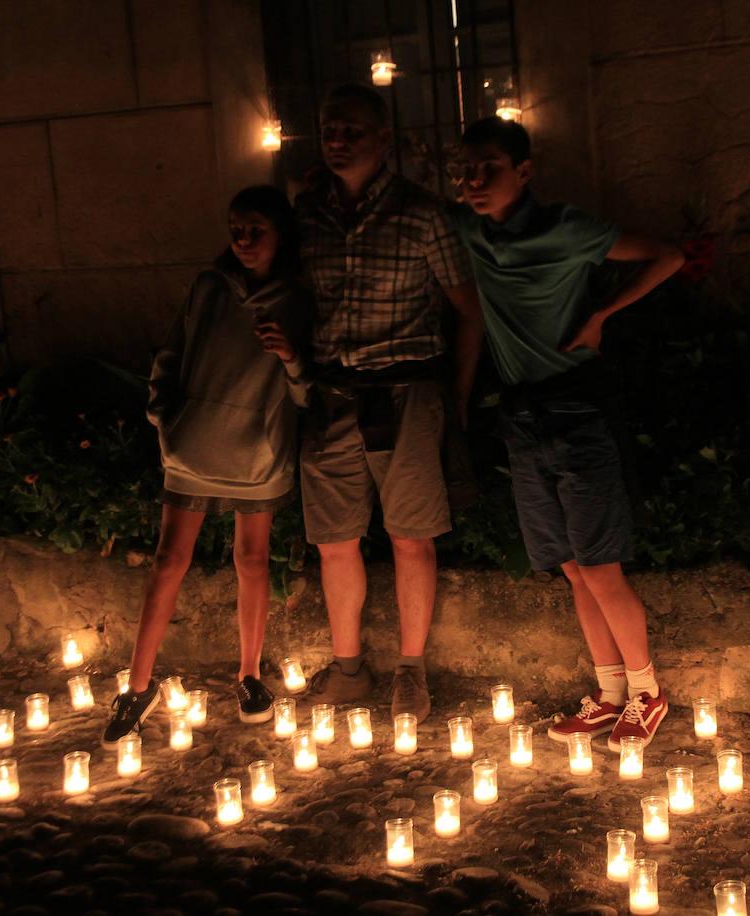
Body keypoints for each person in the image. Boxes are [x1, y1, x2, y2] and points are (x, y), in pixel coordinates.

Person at [452, 117, 685, 750]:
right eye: (466, 169)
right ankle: (610, 696)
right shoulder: (470, 231)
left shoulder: (567, 228)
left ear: (522, 172)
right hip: (521, 415)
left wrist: (601, 315)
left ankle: (647, 694)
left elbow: (671, 255)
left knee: (601, 564)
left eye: (489, 168)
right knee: (573, 569)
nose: (474, 181)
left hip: (577, 409)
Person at [295, 85, 482, 722]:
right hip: (330, 396)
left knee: (410, 536)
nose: (339, 139)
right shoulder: (308, 215)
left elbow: (468, 309)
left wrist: (453, 397)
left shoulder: (422, 214)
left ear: (384, 142)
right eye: (330, 128)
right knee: (335, 540)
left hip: (406, 394)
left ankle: (410, 669)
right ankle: (349, 669)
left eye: (352, 129)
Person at [102, 186, 308, 747]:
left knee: (253, 558)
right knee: (169, 559)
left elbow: (311, 386)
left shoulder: (297, 295)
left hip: (259, 449)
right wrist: (164, 416)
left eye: (255, 230)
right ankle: (138, 686)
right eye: (235, 228)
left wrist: (291, 357)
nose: (242, 241)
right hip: (195, 446)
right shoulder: (209, 285)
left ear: (280, 234)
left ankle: (249, 675)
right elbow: (171, 352)